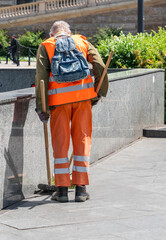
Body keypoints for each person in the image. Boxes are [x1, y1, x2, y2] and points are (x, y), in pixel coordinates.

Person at [35, 21, 108, 203]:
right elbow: (98, 64)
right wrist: (99, 92)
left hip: (59, 102)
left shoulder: (46, 46)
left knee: (60, 142)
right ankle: (81, 189)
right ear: (68, 32)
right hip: (83, 99)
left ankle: (61, 190)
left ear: (53, 34)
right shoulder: (81, 41)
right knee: (82, 140)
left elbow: (41, 77)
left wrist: (42, 107)